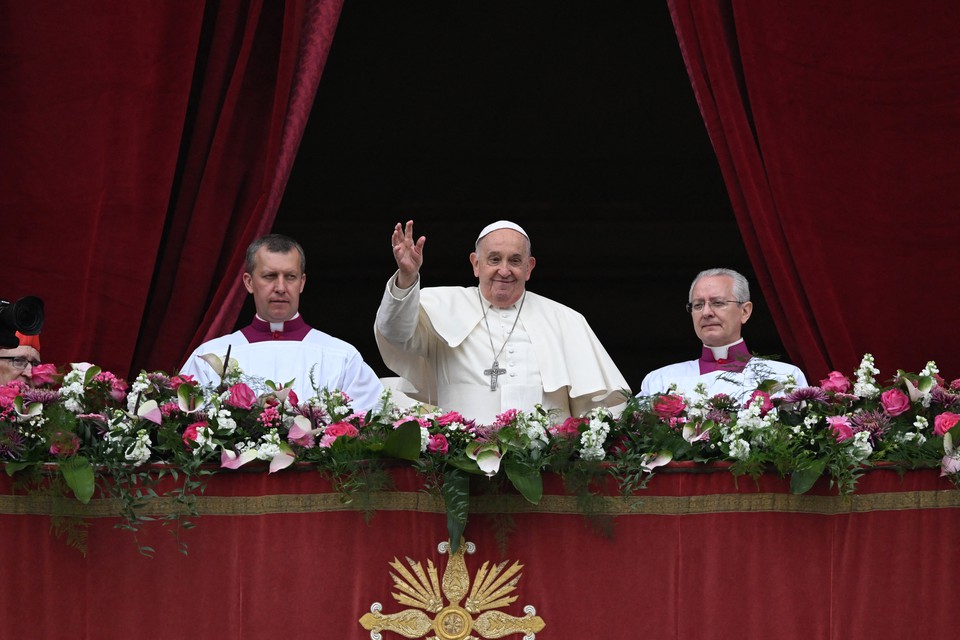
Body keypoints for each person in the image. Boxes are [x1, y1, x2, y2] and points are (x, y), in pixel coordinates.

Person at [374, 219, 630, 424]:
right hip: (459, 468)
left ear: (529, 268)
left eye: (515, 261)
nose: (504, 270)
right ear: (476, 264)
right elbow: (396, 333)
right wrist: (407, 278)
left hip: (548, 472)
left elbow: (595, 407)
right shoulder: (439, 307)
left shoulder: (565, 320)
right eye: (494, 259)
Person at [180, 234, 384, 410]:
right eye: (269, 276)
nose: (280, 287)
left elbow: (376, 421)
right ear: (249, 283)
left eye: (290, 277)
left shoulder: (342, 357)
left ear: (301, 283)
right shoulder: (209, 356)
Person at [639, 268, 807, 400]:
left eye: (718, 303)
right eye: (698, 305)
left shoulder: (785, 377)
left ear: (745, 311)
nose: (706, 312)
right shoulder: (659, 381)